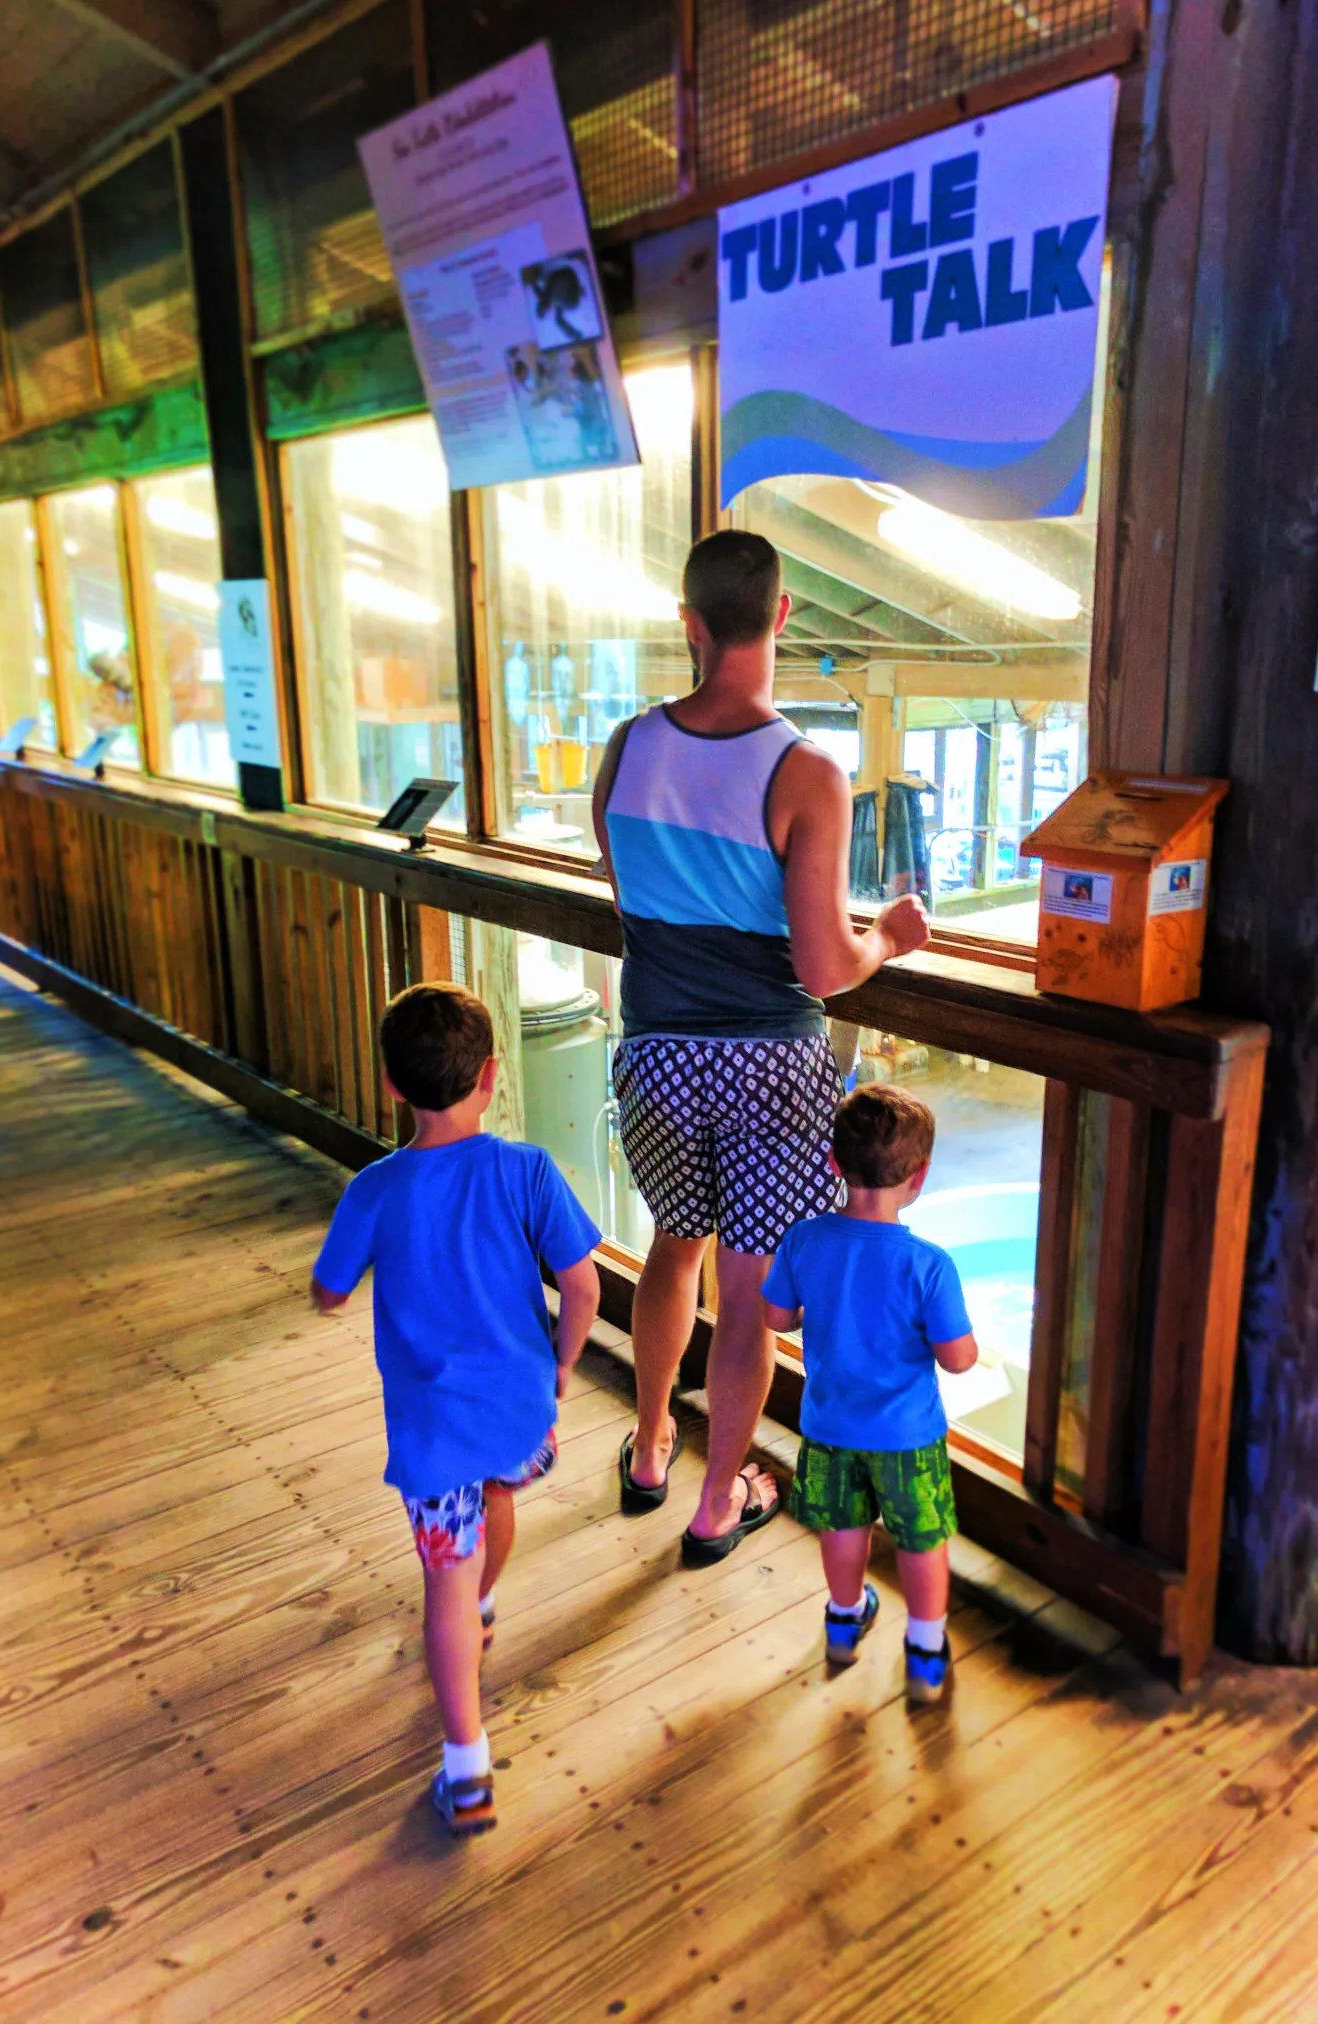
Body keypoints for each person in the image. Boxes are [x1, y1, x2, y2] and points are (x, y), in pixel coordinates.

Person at [592, 529, 931, 1566]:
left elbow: (627, 886)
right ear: (783, 617)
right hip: (766, 1067)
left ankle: (649, 1448)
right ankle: (715, 1502)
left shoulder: (628, 745)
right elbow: (825, 966)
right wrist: (892, 935)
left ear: (688, 625)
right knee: (747, 1298)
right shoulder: (804, 771)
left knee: (669, 1247)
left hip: (654, 1050)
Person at [309, 982, 602, 1835]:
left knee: (443, 1577)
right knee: (499, 1498)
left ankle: (468, 1767)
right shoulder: (526, 1170)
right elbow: (581, 1285)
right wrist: (562, 1362)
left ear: (392, 1086)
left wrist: (330, 1289)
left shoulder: (376, 1189)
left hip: (435, 1431)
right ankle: (481, 1604)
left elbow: (330, 1288)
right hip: (519, 1412)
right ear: (490, 1076)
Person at [762, 1084, 978, 1702]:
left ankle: (843, 1617)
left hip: (829, 1426)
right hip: (907, 1436)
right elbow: (959, 1360)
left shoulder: (805, 1240)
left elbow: (777, 1318)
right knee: (920, 1537)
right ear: (921, 1176)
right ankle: (926, 1651)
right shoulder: (929, 1265)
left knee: (843, 1525)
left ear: (834, 1163)